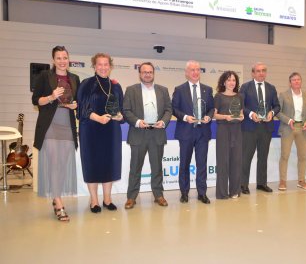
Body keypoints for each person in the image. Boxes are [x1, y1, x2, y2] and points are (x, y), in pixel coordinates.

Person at [32, 45, 79, 222]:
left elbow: (76, 102)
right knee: (54, 163)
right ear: (53, 60)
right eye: (58, 58)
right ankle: (58, 202)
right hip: (50, 125)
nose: (62, 61)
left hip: (67, 125)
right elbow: (36, 100)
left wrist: (75, 105)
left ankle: (56, 196)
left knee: (62, 163)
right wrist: (51, 96)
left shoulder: (74, 78)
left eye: (65, 57)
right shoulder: (45, 76)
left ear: (68, 59)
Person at [77, 53, 124, 213]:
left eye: (106, 64)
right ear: (94, 66)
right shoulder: (86, 84)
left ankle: (107, 199)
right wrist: (97, 118)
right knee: (92, 163)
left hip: (111, 131)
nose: (103, 67)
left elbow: (121, 110)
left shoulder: (116, 86)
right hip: (91, 130)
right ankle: (94, 200)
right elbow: (81, 108)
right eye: (100, 64)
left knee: (109, 162)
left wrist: (119, 116)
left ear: (110, 66)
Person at [123, 62, 172, 209]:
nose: (147, 74)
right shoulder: (131, 90)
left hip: (157, 134)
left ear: (153, 73)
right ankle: (131, 197)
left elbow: (169, 110)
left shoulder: (163, 90)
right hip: (138, 134)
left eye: (150, 72)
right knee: (135, 168)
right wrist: (137, 121)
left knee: (157, 168)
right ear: (139, 74)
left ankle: (158, 195)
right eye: (144, 72)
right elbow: (126, 110)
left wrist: (163, 122)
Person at [172, 60, 214, 204]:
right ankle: (184, 193)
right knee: (184, 164)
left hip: (203, 133)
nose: (196, 72)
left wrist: (209, 116)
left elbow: (212, 108)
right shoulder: (179, 89)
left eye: (198, 70)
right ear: (186, 73)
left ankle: (202, 193)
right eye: (192, 70)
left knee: (202, 164)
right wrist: (185, 117)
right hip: (186, 132)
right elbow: (174, 109)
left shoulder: (207, 90)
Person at [240, 62, 280, 194]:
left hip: (266, 127)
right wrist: (251, 114)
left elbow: (277, 106)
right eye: (258, 71)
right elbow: (241, 105)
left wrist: (272, 113)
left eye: (263, 70)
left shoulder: (271, 88)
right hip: (250, 127)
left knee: (263, 157)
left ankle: (262, 183)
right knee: (246, 157)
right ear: (253, 73)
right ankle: (243, 185)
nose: (261, 73)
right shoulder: (245, 87)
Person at [276, 72, 306, 191]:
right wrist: (288, 120)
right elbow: (278, 111)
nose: (296, 81)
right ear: (290, 82)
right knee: (284, 155)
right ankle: (282, 181)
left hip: (302, 128)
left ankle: (301, 181)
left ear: (301, 81)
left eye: (298, 79)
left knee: (302, 156)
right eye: (293, 80)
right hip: (288, 128)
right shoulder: (283, 95)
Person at [213, 71, 244, 199]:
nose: (232, 83)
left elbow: (241, 114)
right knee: (222, 161)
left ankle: (235, 191)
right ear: (224, 82)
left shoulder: (240, 96)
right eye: (229, 80)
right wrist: (226, 117)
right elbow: (214, 114)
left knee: (236, 161)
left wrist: (241, 117)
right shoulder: (218, 96)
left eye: (234, 80)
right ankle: (222, 193)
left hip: (237, 130)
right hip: (223, 130)